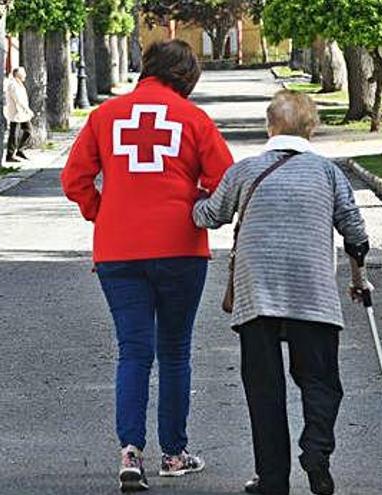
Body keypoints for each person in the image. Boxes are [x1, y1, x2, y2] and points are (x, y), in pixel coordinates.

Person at [61, 40, 233, 492]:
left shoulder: (103, 117)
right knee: (174, 351)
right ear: (187, 78)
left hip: (118, 251)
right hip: (180, 248)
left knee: (133, 351)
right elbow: (224, 183)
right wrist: (195, 204)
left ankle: (130, 452)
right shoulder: (194, 119)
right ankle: (174, 455)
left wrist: (103, 211)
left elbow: (73, 179)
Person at [193, 90, 371, 495]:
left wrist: (189, 193)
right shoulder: (328, 173)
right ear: (312, 129)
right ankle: (317, 450)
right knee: (322, 381)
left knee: (264, 390)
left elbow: (209, 215)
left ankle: (273, 480)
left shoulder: (244, 171)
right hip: (314, 296)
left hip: (256, 297)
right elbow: (355, 235)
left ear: (269, 126)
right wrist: (358, 279)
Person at [4, 67, 34, 162]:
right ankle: (10, 155)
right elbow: (18, 99)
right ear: (18, 74)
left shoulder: (19, 83)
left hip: (22, 114)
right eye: (23, 73)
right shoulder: (13, 84)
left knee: (28, 131)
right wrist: (27, 110)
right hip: (16, 113)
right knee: (14, 134)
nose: (25, 75)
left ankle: (19, 150)